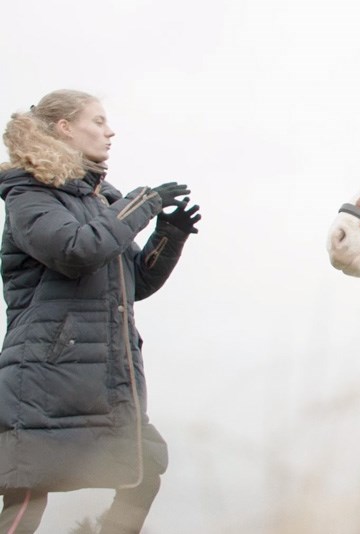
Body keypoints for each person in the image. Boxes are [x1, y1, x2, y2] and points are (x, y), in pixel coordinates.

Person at [0, 89, 200, 532]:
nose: (110, 132)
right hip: (44, 374)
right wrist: (144, 203)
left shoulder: (99, 201)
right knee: (29, 491)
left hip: (105, 372)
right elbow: (76, 249)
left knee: (145, 467)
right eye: (98, 121)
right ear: (64, 128)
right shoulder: (29, 194)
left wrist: (169, 234)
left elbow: (136, 282)